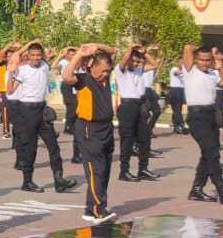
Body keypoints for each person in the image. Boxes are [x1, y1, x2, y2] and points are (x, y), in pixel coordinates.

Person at [5, 42, 76, 194]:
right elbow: (10, 91)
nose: (36, 58)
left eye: (38, 55)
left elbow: (49, 55)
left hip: (42, 109)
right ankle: (27, 181)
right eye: (33, 55)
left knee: (53, 146)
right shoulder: (22, 70)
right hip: (27, 110)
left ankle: (59, 180)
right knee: (30, 148)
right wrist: (11, 72)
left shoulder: (44, 65)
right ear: (28, 56)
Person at [64, 43, 117, 225]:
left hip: (106, 129)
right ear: (92, 67)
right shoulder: (84, 80)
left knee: (105, 170)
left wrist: (97, 46)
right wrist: (80, 54)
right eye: (102, 71)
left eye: (108, 71)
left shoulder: (105, 79)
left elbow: (113, 52)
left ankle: (90, 208)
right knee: (95, 170)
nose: (105, 74)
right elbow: (66, 76)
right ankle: (98, 209)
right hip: (88, 129)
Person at [184, 45, 223, 206]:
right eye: (201, 59)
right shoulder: (190, 71)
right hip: (196, 117)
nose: (205, 63)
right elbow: (187, 47)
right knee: (212, 154)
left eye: (208, 60)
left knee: (209, 154)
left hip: (210, 115)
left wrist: (220, 67)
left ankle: (197, 189)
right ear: (195, 59)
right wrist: (202, 49)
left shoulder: (213, 74)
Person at [112, 45, 159, 182]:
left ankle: (142, 169)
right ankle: (124, 171)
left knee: (144, 138)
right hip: (127, 106)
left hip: (139, 105)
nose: (137, 64)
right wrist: (130, 48)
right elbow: (125, 59)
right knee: (127, 140)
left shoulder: (139, 70)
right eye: (134, 61)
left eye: (139, 61)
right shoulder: (121, 70)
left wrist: (145, 53)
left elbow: (154, 64)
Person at [167, 46, 191, 135]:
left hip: (181, 91)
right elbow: (176, 73)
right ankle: (181, 125)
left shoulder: (184, 70)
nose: (182, 63)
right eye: (181, 62)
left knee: (178, 109)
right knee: (176, 109)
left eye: (183, 62)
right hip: (175, 90)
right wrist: (183, 71)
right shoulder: (174, 69)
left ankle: (176, 127)